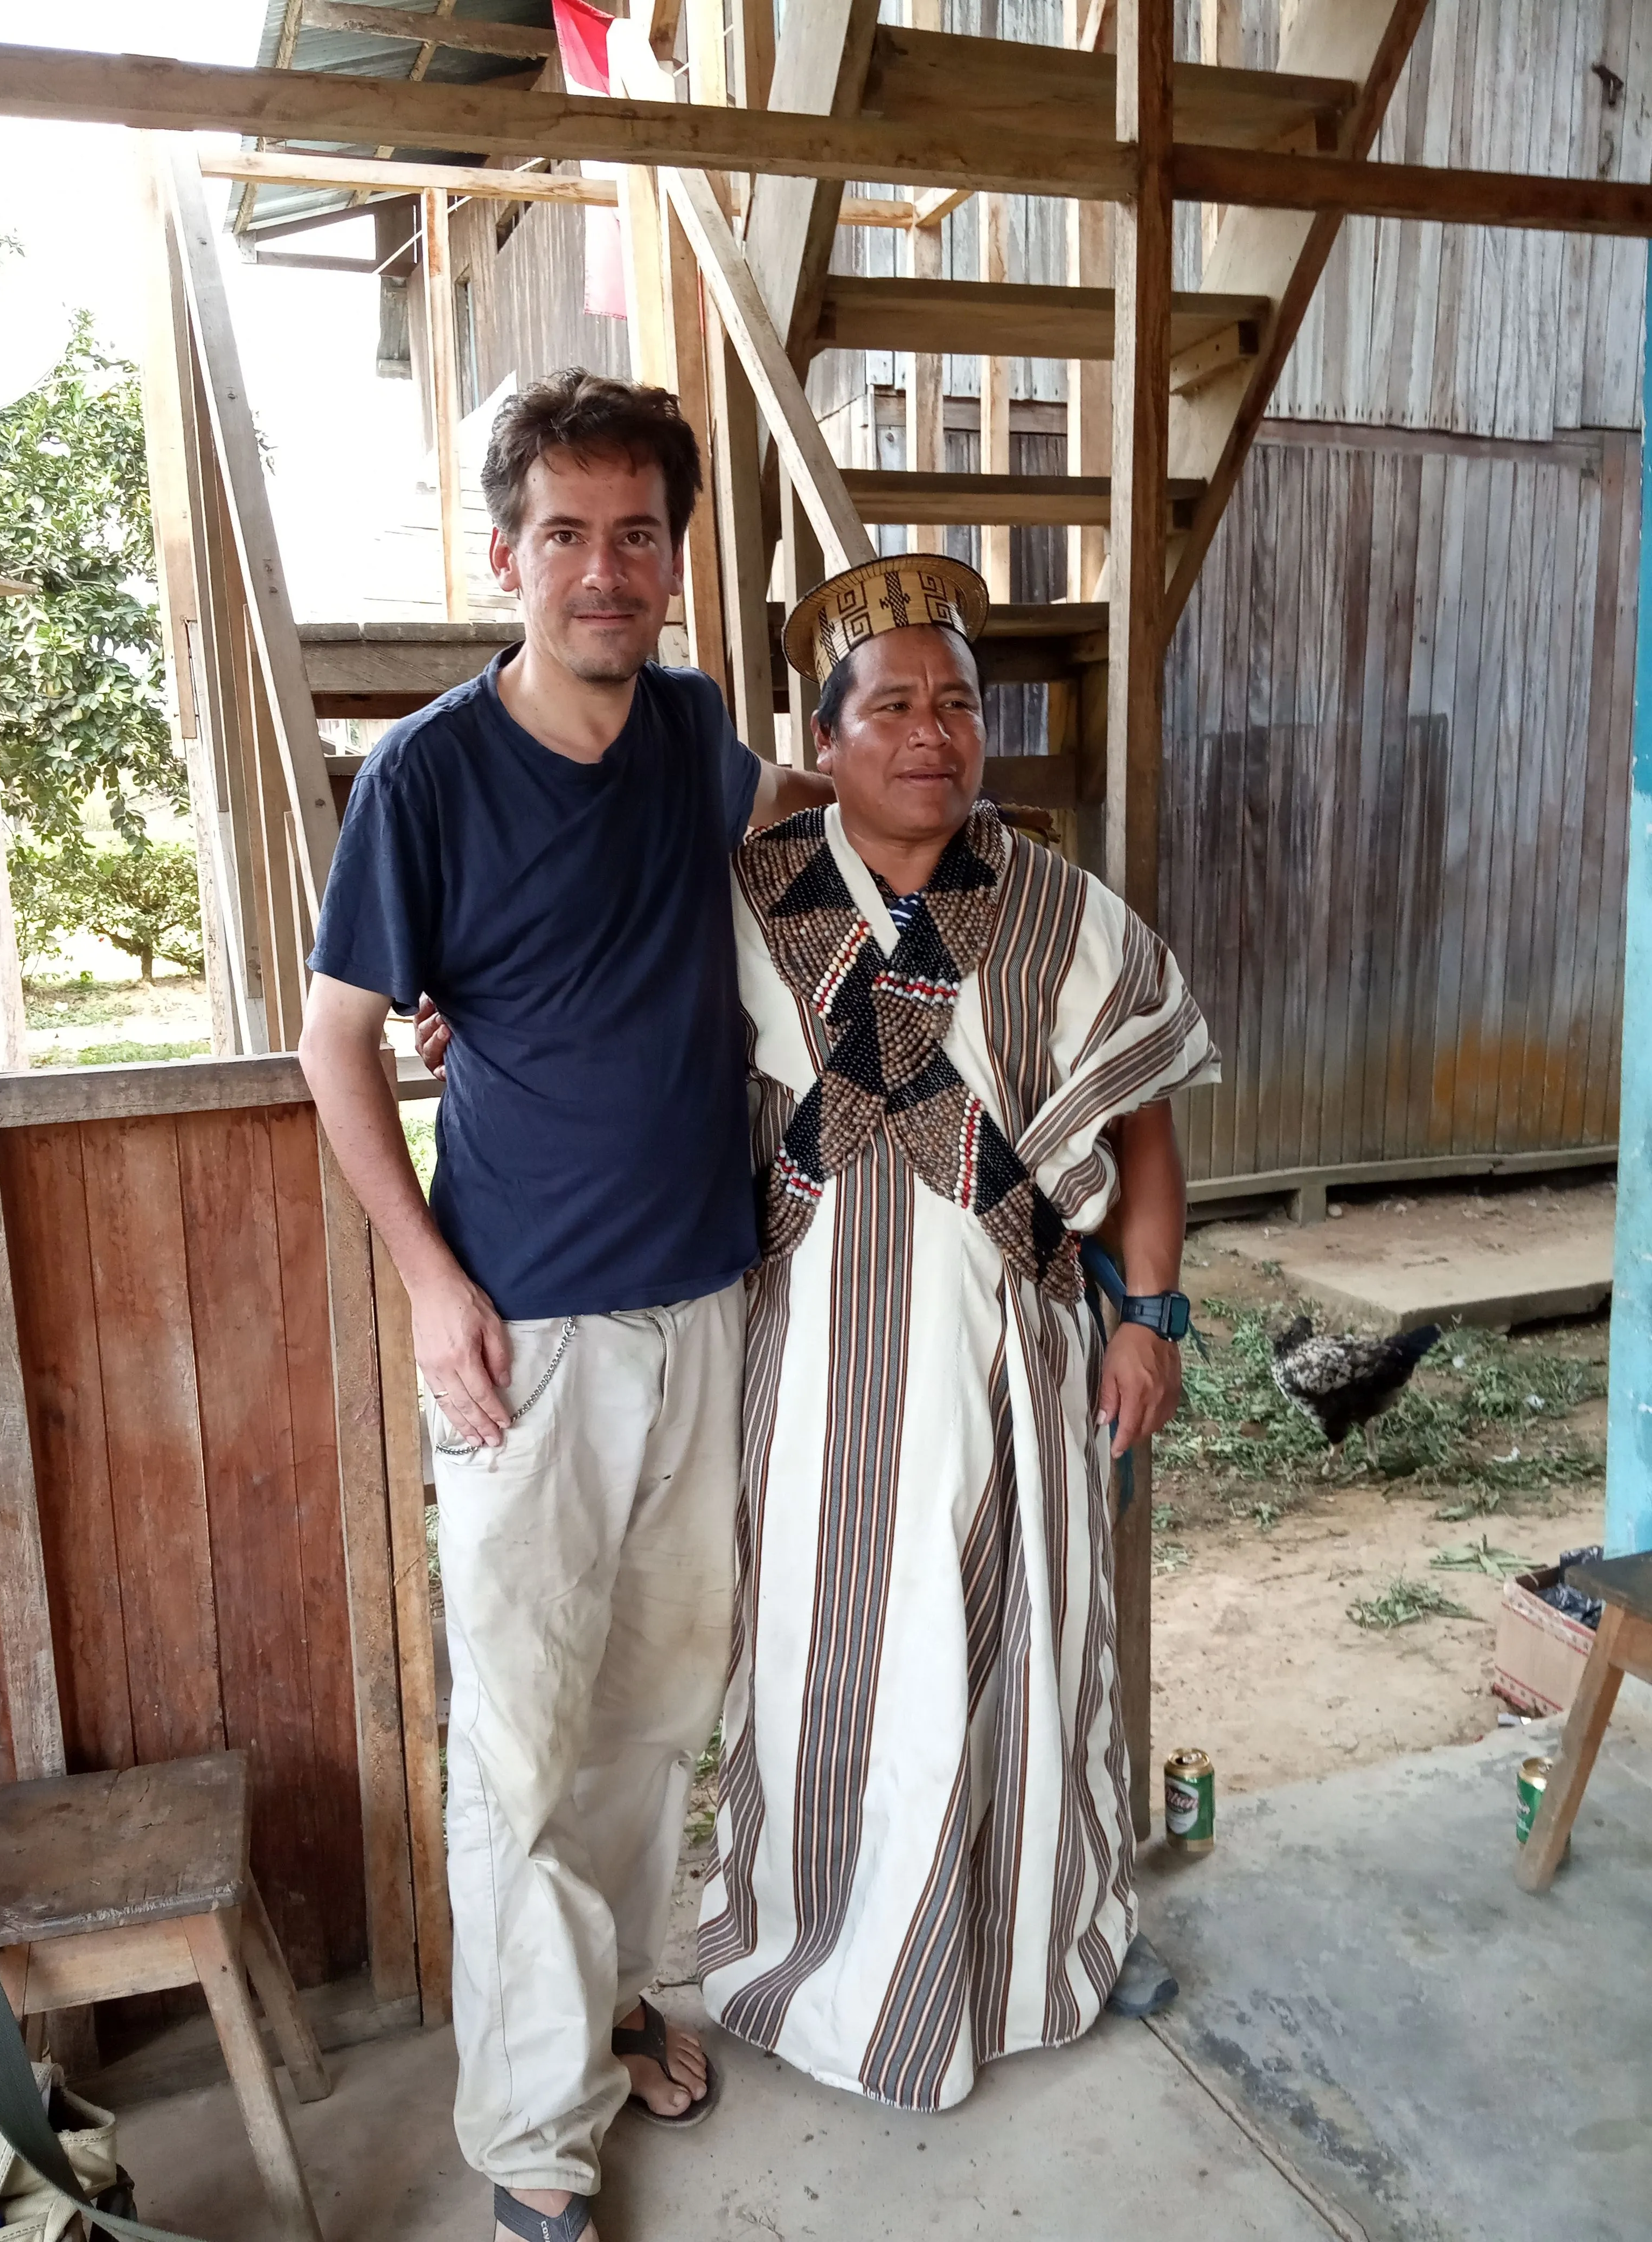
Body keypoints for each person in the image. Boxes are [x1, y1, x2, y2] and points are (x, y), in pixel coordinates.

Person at [297, 369, 830, 2242]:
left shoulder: (695, 735)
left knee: (648, 1714)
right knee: (523, 1734)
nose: (605, 570)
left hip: (703, 1308)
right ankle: (534, 2135)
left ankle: (603, 2009)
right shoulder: (432, 777)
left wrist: (912, 764)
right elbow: (339, 1042)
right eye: (567, 535)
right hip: (525, 1334)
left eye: (637, 535)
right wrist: (433, 1284)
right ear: (506, 552)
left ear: (671, 560)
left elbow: (814, 810)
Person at [697, 555, 1218, 2111]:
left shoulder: (1058, 907)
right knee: (830, 1662)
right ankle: (818, 1956)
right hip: (820, 1370)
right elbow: (603, 1030)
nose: (933, 733)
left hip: (1017, 1350)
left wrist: (1151, 1317)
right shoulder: (745, 903)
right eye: (893, 706)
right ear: (828, 736)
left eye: (957, 706)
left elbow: (1145, 1135)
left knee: (1027, 1658)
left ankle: (1044, 1935)